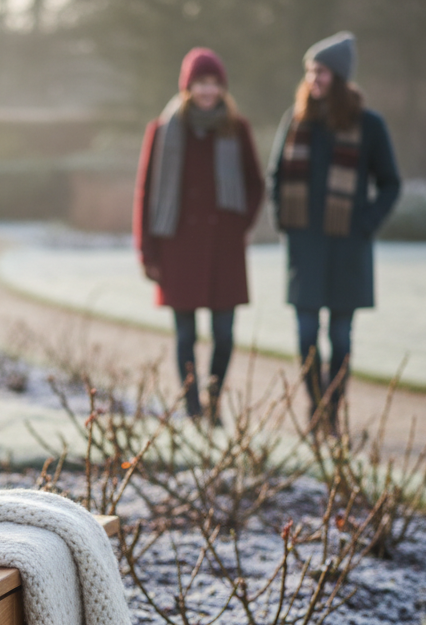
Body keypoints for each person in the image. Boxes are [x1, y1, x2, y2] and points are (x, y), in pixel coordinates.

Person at [268, 31, 400, 433]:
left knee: (340, 339)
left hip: (347, 250)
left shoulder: (369, 125)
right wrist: (283, 221)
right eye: (310, 70)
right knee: (307, 334)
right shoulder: (296, 119)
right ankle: (316, 407)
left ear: (340, 78)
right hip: (305, 248)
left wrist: (365, 224)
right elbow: (276, 176)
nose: (313, 78)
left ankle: (332, 413)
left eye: (321, 71)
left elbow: (391, 183)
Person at [134, 47, 265, 421]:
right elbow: (146, 193)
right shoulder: (164, 129)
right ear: (188, 86)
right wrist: (147, 251)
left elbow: (255, 184)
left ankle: (214, 398)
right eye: (200, 83)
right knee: (186, 335)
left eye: (214, 83)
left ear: (223, 87)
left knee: (224, 334)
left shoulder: (236, 128)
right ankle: (192, 408)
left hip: (224, 247)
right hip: (178, 246)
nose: (208, 91)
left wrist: (238, 225)